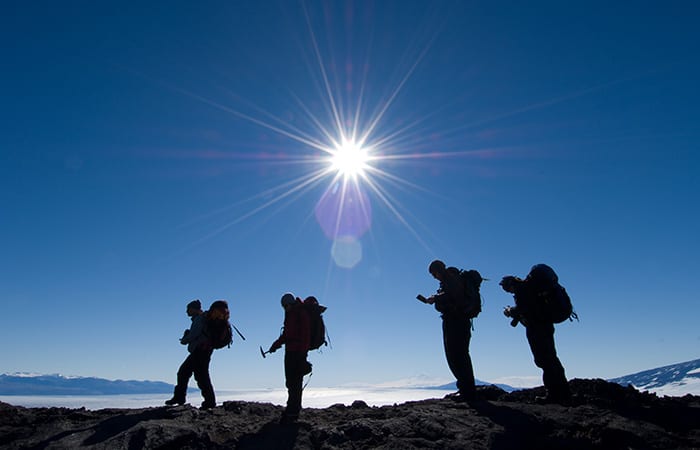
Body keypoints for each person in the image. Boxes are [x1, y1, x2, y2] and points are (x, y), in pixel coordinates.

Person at [500, 264, 572, 404]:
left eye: (506, 288)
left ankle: (555, 394)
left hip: (537, 328)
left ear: (510, 284)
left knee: (545, 360)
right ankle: (562, 393)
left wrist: (510, 311)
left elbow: (524, 308)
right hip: (545, 325)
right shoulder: (532, 288)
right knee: (550, 358)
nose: (507, 291)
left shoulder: (523, 290)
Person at [417, 259, 477, 402]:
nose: (434, 277)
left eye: (434, 274)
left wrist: (435, 298)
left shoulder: (452, 278)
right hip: (456, 321)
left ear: (438, 270)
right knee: (457, 354)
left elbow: (453, 295)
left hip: (456, 321)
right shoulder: (450, 280)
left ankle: (467, 391)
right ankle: (465, 388)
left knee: (457, 355)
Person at [267, 293, 312, 424]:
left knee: (295, 382)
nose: (285, 308)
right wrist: (275, 345)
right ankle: (292, 408)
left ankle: (293, 411)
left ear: (289, 304)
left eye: (285, 306)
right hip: (291, 352)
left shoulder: (300, 313)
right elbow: (287, 335)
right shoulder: (291, 314)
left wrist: (302, 354)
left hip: (297, 353)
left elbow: (305, 334)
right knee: (291, 382)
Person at [165, 299, 216, 409]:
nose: (187, 312)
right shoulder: (202, 318)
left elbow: (194, 334)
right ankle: (208, 401)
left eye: (188, 309)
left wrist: (184, 340)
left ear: (193, 309)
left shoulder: (199, 319)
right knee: (200, 375)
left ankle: (180, 398)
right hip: (204, 350)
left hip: (200, 351)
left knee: (185, 372)